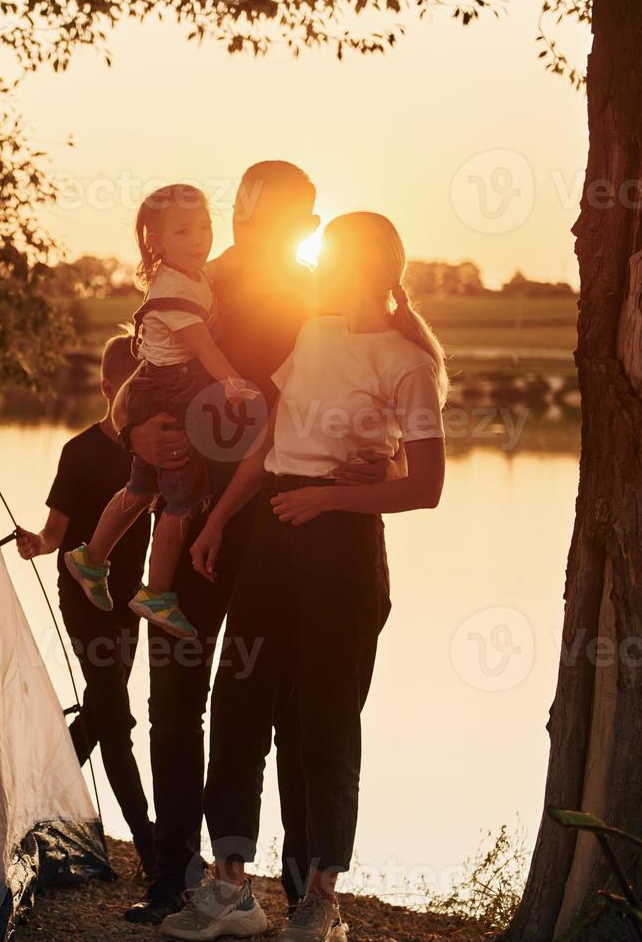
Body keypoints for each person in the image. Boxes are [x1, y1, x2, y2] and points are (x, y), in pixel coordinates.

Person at [118, 162, 398, 926]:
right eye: (287, 215)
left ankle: (305, 893)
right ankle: (175, 877)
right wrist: (129, 426)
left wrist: (379, 456)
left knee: (287, 716)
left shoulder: (322, 302)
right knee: (175, 699)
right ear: (244, 211)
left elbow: (372, 402)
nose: (300, 231)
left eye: (308, 219)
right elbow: (136, 360)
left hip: (280, 536)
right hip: (193, 529)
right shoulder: (190, 284)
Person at [157, 211, 449, 941]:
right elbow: (269, 443)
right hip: (272, 540)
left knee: (325, 719)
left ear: (374, 269)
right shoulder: (313, 335)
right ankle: (232, 891)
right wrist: (222, 519)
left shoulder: (409, 363)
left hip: (342, 552)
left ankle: (322, 900)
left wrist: (330, 497)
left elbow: (426, 487)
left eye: (334, 260)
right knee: (238, 704)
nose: (319, 270)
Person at [62, 184, 257, 640]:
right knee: (181, 501)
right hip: (168, 392)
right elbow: (202, 347)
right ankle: (157, 592)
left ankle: (91, 557)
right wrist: (233, 382)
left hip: (161, 386)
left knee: (142, 485)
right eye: (184, 231)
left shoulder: (192, 274)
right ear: (157, 241)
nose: (199, 239)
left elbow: (222, 266)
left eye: (205, 227)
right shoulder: (172, 289)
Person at [15, 331, 158, 874]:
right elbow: (56, 532)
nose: (137, 398)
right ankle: (148, 846)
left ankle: (33, 803)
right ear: (106, 388)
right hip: (81, 597)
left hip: (128, 602)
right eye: (129, 387)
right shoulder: (80, 452)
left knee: (102, 712)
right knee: (115, 715)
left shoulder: (154, 450)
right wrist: (37, 543)